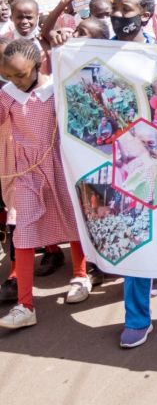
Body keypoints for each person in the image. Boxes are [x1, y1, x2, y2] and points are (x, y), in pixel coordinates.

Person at [0, 38, 91, 331]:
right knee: (23, 230)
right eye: (9, 76)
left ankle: (80, 274)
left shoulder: (57, 88)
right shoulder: (7, 95)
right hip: (27, 172)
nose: (15, 80)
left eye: (21, 74)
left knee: (72, 217)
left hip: (62, 164)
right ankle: (25, 305)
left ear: (38, 64)